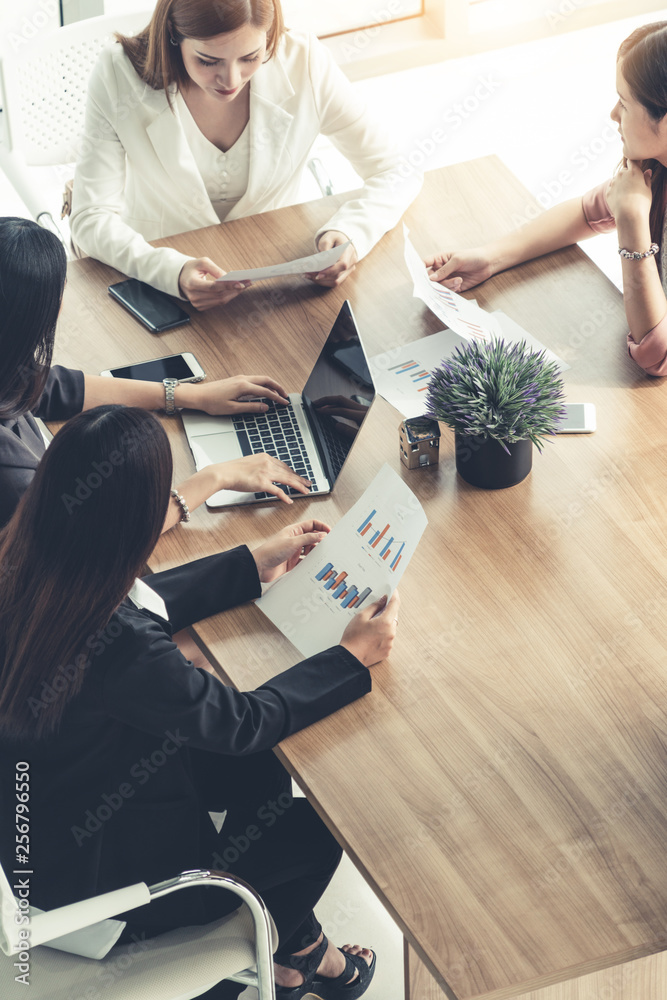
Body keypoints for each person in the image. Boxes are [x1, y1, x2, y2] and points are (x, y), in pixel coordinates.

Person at [0, 404, 399, 999]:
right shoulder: (119, 649)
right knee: (328, 813)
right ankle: (281, 955)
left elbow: (123, 598)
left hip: (43, 824)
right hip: (102, 890)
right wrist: (350, 658)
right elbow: (241, 722)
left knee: (268, 774)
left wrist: (248, 565)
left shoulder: (23, 563)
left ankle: (296, 951)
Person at [69, 0, 422, 310]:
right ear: (174, 35)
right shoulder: (118, 74)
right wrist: (170, 272)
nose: (231, 79)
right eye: (208, 61)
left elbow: (396, 169)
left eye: (251, 57)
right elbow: (90, 218)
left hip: (276, 287)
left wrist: (350, 235)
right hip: (160, 292)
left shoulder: (305, 62)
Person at [0, 216, 311, 530]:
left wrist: (191, 395)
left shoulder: (7, 366)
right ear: (30, 315)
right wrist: (215, 477)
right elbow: (96, 540)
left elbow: (50, 386)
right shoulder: (11, 475)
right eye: (60, 292)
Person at [425, 21, 667, 377]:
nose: (613, 115)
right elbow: (587, 213)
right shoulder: (655, 169)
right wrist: (491, 257)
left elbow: (655, 355)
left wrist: (631, 221)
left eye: (624, 103)